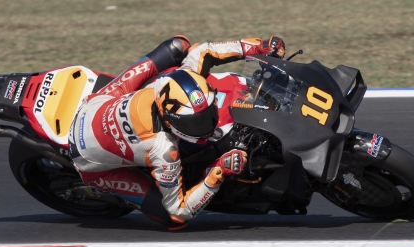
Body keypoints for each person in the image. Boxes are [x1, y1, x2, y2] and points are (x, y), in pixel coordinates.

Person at [68, 35, 286, 230]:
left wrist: (258, 47)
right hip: (87, 158)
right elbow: (179, 209)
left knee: (179, 45)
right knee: (173, 221)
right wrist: (217, 172)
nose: (206, 125)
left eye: (208, 113)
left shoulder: (176, 79)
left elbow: (205, 51)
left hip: (99, 102)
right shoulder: (163, 151)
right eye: (195, 123)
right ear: (171, 120)